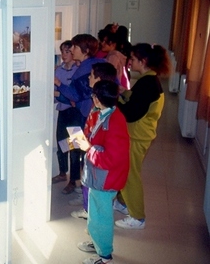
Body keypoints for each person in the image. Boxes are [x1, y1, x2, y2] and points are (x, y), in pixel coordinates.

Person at [114, 43, 171, 230]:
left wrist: (113, 101)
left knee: (130, 174)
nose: (130, 62)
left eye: (133, 59)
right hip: (140, 133)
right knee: (128, 170)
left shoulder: (148, 83)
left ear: (143, 61)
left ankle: (137, 217)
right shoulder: (149, 79)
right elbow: (138, 100)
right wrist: (125, 93)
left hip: (138, 136)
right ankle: (123, 203)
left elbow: (132, 113)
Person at [74, 80, 130, 264]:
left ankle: (105, 256)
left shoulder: (115, 122)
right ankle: (97, 243)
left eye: (94, 96)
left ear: (98, 99)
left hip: (106, 178)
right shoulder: (104, 113)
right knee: (96, 213)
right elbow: (95, 136)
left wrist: (88, 148)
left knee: (101, 216)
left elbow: (111, 159)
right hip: (98, 175)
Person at [54, 34, 105, 194]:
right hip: (79, 113)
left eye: (74, 47)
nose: (70, 50)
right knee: (66, 143)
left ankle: (76, 183)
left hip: (82, 114)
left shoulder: (86, 67)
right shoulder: (89, 64)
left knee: (77, 147)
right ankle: (70, 177)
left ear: (85, 50)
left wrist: (58, 84)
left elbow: (76, 94)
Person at [70, 62, 119, 219]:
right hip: (91, 150)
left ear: (98, 79)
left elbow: (105, 142)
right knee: (87, 179)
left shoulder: (107, 111)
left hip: (96, 155)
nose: (88, 77)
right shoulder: (99, 103)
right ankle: (87, 207)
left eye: (91, 75)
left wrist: (88, 145)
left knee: (93, 183)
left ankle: (89, 210)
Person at [53, 41, 79, 184]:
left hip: (75, 113)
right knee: (61, 143)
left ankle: (74, 180)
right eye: (62, 51)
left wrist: (60, 94)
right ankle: (63, 173)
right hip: (63, 111)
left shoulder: (78, 70)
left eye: (67, 51)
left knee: (75, 145)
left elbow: (76, 96)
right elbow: (54, 93)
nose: (64, 55)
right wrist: (63, 96)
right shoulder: (58, 71)